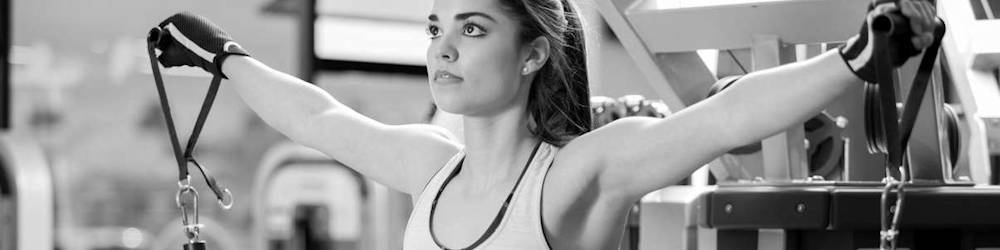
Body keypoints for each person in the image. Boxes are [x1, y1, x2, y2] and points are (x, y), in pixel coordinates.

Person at [150, 0, 939, 248]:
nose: (443, 49)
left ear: (532, 56)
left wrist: (853, 59)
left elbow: (721, 116)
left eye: (472, 29)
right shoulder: (431, 169)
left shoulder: (576, 176)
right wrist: (224, 58)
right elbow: (319, 118)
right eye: (435, 29)